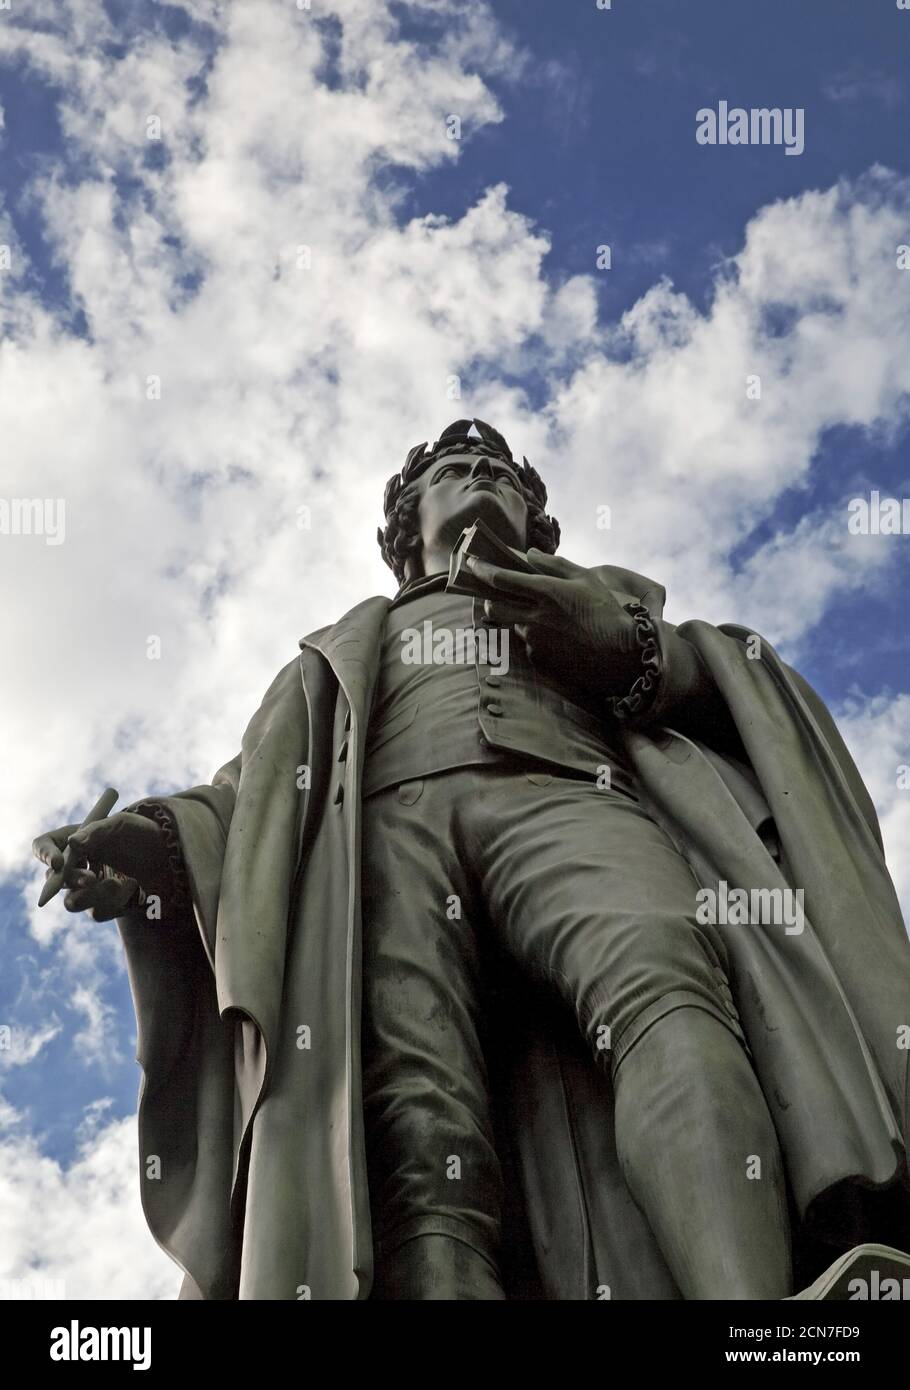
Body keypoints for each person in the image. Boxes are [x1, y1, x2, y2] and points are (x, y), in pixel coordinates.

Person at [34, 419, 910, 1300]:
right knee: (417, 1124)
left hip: (573, 795)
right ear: (402, 530)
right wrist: (149, 847)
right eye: (456, 468)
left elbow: (736, 693)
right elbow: (250, 803)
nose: (480, 472)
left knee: (666, 989)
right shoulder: (334, 659)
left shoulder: (596, 599)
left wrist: (633, 649)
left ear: (539, 523)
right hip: (384, 846)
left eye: (499, 470)